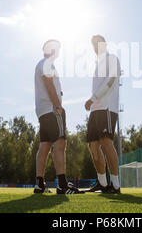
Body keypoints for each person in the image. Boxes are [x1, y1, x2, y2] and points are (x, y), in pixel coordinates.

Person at [33, 39, 83, 194]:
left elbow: (49, 84)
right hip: (52, 110)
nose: (60, 50)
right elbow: (48, 84)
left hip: (43, 110)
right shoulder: (47, 63)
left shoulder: (42, 64)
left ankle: (39, 184)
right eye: (58, 47)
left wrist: (58, 93)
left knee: (44, 146)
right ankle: (62, 184)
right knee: (60, 144)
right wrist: (58, 105)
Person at [84, 35, 121, 194]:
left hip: (107, 107)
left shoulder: (112, 59)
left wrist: (93, 98)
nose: (95, 46)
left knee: (106, 142)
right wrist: (93, 102)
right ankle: (102, 183)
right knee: (92, 146)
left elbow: (111, 80)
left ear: (105, 44)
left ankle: (116, 185)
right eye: (93, 44)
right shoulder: (97, 64)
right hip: (95, 110)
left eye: (98, 43)